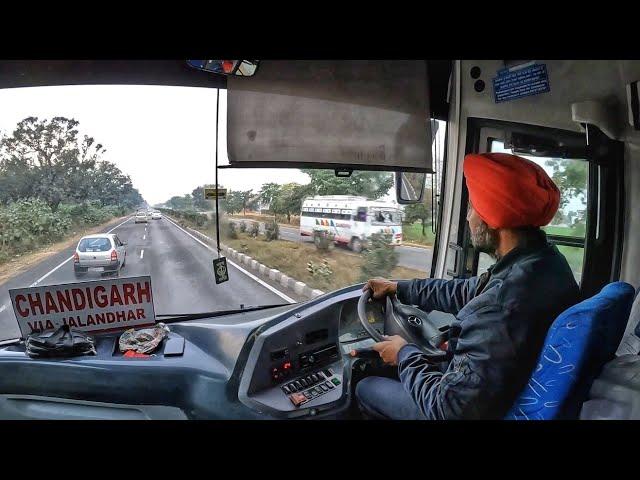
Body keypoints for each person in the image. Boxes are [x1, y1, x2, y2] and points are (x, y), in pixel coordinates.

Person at [355, 152, 581, 420]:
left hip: (471, 408)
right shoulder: (542, 263)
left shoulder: (500, 307)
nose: (468, 218)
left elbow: (447, 411)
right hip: (503, 385)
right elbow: (466, 291)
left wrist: (404, 354)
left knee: (365, 386)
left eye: (473, 209)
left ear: (493, 220)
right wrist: (399, 288)